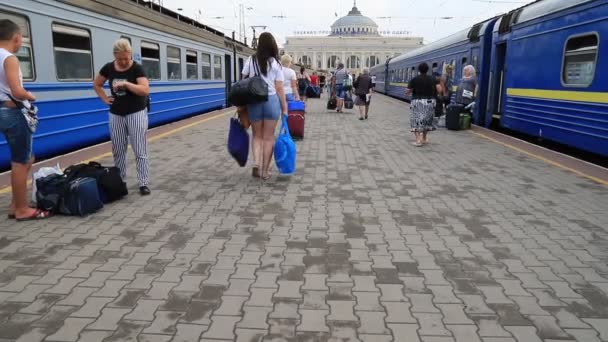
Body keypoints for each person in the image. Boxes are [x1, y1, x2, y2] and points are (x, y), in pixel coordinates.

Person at [0, 19, 49, 221]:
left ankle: (15, 203)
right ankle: (21, 209)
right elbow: (16, 91)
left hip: (2, 111)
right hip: (13, 112)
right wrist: (30, 95)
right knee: (20, 161)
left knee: (27, 158)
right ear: (17, 37)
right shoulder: (9, 58)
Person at [93, 39, 151, 195]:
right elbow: (96, 84)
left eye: (127, 58)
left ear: (130, 54)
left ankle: (143, 183)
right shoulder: (109, 68)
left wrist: (127, 84)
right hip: (116, 114)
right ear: (115, 56)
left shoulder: (137, 69)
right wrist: (105, 98)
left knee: (140, 150)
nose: (124, 61)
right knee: (118, 150)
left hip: (136, 112)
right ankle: (121, 182)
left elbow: (145, 90)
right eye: (120, 59)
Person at [241, 32, 287, 181]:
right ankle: (265, 171)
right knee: (268, 138)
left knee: (257, 136)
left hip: (254, 101)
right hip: (271, 101)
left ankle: (256, 164)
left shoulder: (251, 60)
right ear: (272, 45)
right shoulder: (276, 63)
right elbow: (279, 88)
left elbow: (243, 79)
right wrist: (284, 107)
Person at [406, 62, 436, 147]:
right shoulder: (432, 79)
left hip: (418, 101)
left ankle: (418, 140)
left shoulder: (414, 79)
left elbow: (407, 92)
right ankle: (424, 139)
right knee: (426, 120)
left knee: (416, 120)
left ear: (419, 70)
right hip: (430, 102)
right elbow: (439, 89)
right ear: (427, 70)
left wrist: (410, 91)